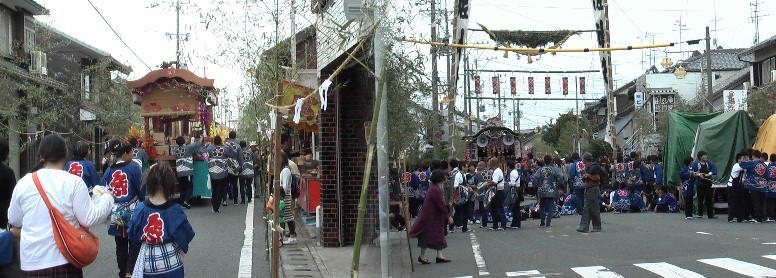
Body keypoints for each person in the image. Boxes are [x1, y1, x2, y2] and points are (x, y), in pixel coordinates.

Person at [8, 134, 115, 276]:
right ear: (66, 155)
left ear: (41, 156)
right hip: (65, 259)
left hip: (32, 262)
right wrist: (108, 198)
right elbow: (89, 218)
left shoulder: (24, 182)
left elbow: (14, 219)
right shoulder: (74, 182)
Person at [128, 162, 195, 277]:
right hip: (171, 259)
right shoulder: (175, 210)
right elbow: (186, 234)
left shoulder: (141, 208)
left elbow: (133, 234)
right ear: (170, 184)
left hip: (148, 259)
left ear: (148, 182)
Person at [103, 138, 145, 278]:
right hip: (132, 209)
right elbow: (141, 190)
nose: (133, 155)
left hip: (116, 212)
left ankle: (122, 273)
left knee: (120, 244)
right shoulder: (134, 168)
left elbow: (103, 190)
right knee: (134, 241)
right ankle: (130, 271)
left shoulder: (109, 170)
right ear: (126, 153)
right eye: (132, 152)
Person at [409, 170, 452, 264]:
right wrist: (448, 216)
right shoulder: (435, 190)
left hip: (430, 217)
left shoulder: (433, 188)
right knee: (430, 235)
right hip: (430, 218)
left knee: (433, 235)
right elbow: (441, 204)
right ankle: (427, 256)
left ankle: (435, 255)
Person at [204, 135, 236, 213]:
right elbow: (234, 154)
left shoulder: (210, 148)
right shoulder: (225, 149)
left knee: (214, 189)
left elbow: (204, 154)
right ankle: (216, 207)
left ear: (214, 141)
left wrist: (208, 161)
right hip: (222, 172)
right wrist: (230, 146)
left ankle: (213, 204)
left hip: (212, 172)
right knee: (220, 190)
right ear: (221, 141)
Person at [578, 153, 606, 233]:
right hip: (588, 188)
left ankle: (597, 226)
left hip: (592, 188)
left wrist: (588, 176)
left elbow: (597, 178)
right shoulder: (588, 167)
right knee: (586, 208)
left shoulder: (593, 167)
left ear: (585, 159)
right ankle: (584, 226)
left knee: (593, 208)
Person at [173, 135, 203, 209]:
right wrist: (201, 138)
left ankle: (183, 201)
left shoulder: (175, 150)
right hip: (187, 170)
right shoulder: (188, 147)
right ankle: (186, 201)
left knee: (182, 187)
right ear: (184, 141)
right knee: (189, 186)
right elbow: (197, 145)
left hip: (179, 171)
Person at [739, 149, 768, 222]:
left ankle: (758, 218)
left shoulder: (752, 163)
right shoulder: (764, 164)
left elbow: (741, 164)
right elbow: (767, 175)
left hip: (754, 186)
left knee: (756, 202)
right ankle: (762, 217)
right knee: (762, 202)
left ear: (753, 156)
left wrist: (743, 159)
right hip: (763, 186)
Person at [533, 155, 563, 228]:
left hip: (542, 189)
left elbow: (535, 178)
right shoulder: (554, 169)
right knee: (550, 206)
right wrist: (559, 185)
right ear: (551, 161)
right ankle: (548, 223)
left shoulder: (540, 169)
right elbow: (560, 177)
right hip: (552, 189)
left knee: (542, 206)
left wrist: (535, 186)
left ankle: (542, 222)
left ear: (544, 161)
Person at [691, 151, 718, 219]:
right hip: (700, 183)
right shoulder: (696, 163)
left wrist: (709, 174)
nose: (705, 156)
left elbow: (714, 169)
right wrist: (699, 175)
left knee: (709, 199)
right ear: (700, 157)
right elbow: (693, 172)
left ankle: (710, 214)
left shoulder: (708, 163)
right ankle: (700, 214)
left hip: (708, 183)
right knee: (700, 199)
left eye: (706, 155)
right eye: (704, 155)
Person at [279, 151, 298, 245]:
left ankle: (291, 236)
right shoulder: (283, 170)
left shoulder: (285, 170)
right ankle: (285, 236)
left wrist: (280, 195)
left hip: (285, 197)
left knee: (286, 217)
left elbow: (285, 186)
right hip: (284, 196)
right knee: (285, 217)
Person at [485, 158, 507, 230]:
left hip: (499, 192)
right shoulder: (497, 171)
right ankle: (495, 225)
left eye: (490, 162)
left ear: (492, 163)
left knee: (499, 208)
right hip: (498, 191)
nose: (489, 164)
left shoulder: (497, 171)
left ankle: (503, 225)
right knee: (493, 208)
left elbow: (494, 182)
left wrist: (488, 185)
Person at [727, 152, 748, 223]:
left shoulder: (744, 166)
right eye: (743, 159)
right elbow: (744, 166)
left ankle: (740, 217)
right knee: (733, 202)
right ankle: (731, 217)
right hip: (732, 186)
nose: (744, 160)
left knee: (741, 202)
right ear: (738, 159)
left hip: (740, 186)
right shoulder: (736, 166)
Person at [224, 131, 243, 205]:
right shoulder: (237, 146)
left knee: (225, 183)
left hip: (225, 165)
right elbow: (240, 157)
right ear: (235, 137)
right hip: (234, 166)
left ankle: (224, 200)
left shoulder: (224, 144)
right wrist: (241, 166)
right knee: (235, 184)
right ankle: (235, 200)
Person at [451, 160, 471, 232]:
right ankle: (451, 226)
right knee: (458, 212)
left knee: (466, 211)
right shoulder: (458, 175)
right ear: (462, 167)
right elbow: (455, 185)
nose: (467, 168)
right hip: (460, 196)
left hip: (465, 196)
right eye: (466, 167)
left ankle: (464, 227)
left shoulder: (464, 175)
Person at [508, 160, 523, 229]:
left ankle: (516, 222)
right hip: (518, 189)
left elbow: (513, 183)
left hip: (515, 191)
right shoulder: (515, 172)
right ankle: (515, 222)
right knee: (516, 207)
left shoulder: (512, 173)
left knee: (515, 207)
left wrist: (508, 184)